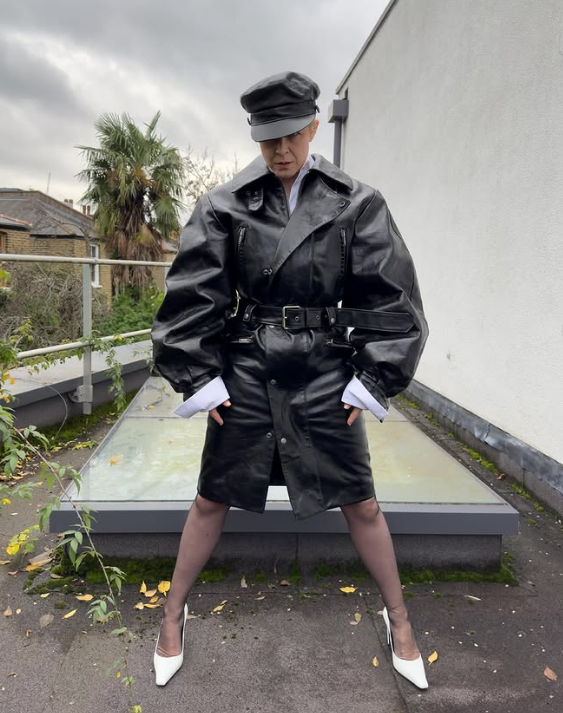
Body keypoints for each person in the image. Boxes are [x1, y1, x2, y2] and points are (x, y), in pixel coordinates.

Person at [150, 70, 430, 689]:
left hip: (325, 370)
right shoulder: (224, 204)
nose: (280, 150)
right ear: (256, 136)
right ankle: (171, 614)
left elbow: (393, 298)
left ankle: (401, 619)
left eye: (292, 136)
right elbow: (192, 294)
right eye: (268, 138)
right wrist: (201, 377)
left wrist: (373, 378)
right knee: (211, 496)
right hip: (246, 370)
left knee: (361, 500)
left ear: (313, 127)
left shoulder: (357, 202)